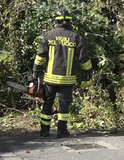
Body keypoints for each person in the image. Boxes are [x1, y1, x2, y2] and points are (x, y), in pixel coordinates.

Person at [31, 9, 93, 138]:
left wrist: (36, 71)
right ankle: (62, 131)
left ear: (56, 21)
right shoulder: (75, 37)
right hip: (67, 79)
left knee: (48, 104)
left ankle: (44, 131)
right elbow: (83, 58)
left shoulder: (49, 36)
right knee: (64, 105)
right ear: (70, 22)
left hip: (50, 79)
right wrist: (88, 71)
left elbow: (40, 56)